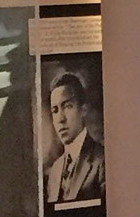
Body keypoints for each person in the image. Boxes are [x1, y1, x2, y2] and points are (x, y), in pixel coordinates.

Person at [44, 65, 105, 205]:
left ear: (83, 110)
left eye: (67, 106)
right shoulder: (55, 170)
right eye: (55, 110)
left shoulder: (101, 161)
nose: (60, 119)